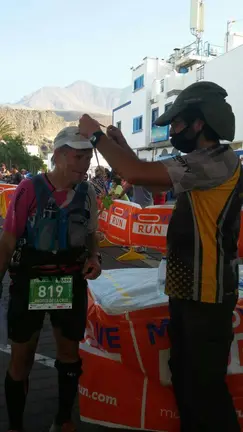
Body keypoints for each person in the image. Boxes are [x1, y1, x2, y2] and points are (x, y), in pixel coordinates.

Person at [79, 81, 242, 432]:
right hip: (191, 291)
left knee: (206, 391)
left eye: (179, 122)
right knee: (186, 380)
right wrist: (120, 147)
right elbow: (152, 182)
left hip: (208, 294)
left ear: (200, 123)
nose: (173, 130)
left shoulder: (216, 162)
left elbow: (138, 174)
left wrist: (96, 137)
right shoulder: (201, 162)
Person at [1, 126, 101, 432]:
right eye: (76, 156)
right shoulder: (28, 190)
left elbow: (92, 234)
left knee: (69, 356)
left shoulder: (89, 193)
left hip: (70, 284)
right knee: (22, 359)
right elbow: (7, 241)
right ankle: (16, 425)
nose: (84, 163)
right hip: (29, 282)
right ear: (58, 156)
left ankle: (64, 419)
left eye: (87, 156)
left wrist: (95, 258)